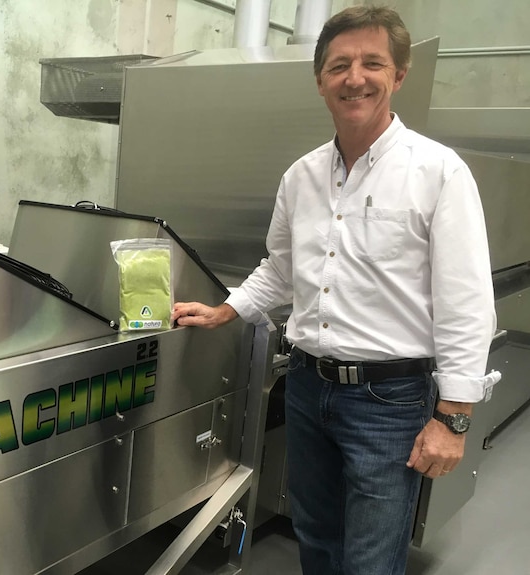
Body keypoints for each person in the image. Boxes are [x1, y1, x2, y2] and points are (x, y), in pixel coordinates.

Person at [171, 6, 501, 575]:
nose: (355, 77)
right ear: (321, 80)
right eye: (340, 65)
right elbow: (281, 268)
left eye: (373, 63)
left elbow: (466, 301)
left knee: (372, 558)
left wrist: (452, 418)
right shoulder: (300, 177)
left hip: (389, 401)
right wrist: (227, 309)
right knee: (316, 538)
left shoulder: (438, 173)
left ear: (398, 75)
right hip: (306, 386)